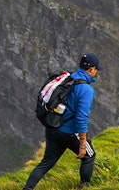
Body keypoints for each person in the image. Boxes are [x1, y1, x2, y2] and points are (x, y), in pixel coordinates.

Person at [23, 53, 103, 189]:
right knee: (89, 156)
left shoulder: (67, 78)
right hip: (70, 133)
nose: (96, 72)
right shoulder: (86, 89)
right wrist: (82, 143)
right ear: (91, 69)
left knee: (46, 163)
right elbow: (82, 117)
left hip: (53, 129)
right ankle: (85, 186)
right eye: (96, 69)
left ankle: (27, 188)